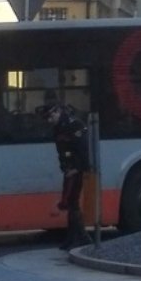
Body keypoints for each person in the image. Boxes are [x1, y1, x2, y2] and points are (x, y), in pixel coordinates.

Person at [44, 101, 91, 250]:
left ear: (57, 112)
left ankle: (82, 238)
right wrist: (65, 167)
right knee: (70, 202)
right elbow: (61, 152)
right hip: (69, 169)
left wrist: (77, 168)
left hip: (76, 170)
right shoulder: (58, 128)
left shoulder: (74, 125)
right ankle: (74, 238)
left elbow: (82, 149)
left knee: (72, 201)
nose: (49, 121)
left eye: (50, 117)